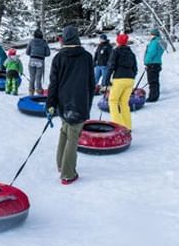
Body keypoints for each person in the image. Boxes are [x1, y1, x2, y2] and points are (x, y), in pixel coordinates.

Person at [47, 25, 94, 185]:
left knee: (65, 131)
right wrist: (88, 103)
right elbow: (91, 83)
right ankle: (67, 173)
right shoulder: (86, 56)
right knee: (71, 135)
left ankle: (61, 164)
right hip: (79, 101)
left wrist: (51, 102)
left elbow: (53, 83)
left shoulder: (59, 57)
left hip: (64, 101)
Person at [105, 33, 137, 131]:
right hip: (130, 79)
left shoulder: (116, 51)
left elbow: (111, 65)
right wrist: (131, 77)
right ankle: (128, 126)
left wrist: (107, 79)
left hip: (119, 78)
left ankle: (117, 126)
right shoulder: (131, 53)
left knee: (113, 101)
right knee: (124, 103)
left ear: (118, 42)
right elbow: (135, 68)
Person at [26, 29, 50, 95]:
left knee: (32, 77)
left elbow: (27, 52)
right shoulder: (44, 42)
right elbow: (48, 53)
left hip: (32, 60)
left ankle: (31, 92)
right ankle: (39, 91)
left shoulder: (31, 42)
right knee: (38, 78)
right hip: (40, 61)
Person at [144, 28, 165, 102]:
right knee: (155, 80)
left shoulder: (154, 42)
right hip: (157, 63)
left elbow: (151, 52)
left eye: (151, 34)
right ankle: (155, 94)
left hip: (152, 63)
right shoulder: (160, 42)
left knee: (152, 81)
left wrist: (147, 62)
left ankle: (153, 97)